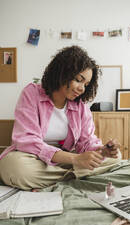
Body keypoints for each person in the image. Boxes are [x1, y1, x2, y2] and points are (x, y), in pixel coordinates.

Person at [0, 45, 120, 190]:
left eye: (86, 84)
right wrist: (75, 159)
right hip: (35, 157)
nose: (82, 88)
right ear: (62, 72)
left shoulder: (80, 106)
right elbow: (27, 141)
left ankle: (56, 180)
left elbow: (86, 141)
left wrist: (102, 150)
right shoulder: (31, 93)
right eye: (78, 79)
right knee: (13, 167)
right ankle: (74, 176)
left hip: (65, 159)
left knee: (116, 158)